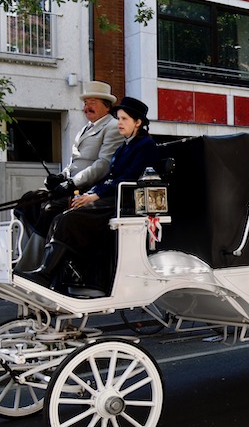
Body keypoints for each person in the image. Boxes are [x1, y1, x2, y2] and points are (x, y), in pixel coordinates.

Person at [24, 97, 159, 287]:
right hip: (112, 195)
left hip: (125, 201)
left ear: (138, 122)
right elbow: (109, 177)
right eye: (118, 118)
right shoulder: (124, 148)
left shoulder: (145, 146)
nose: (119, 123)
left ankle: (46, 274)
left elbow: (128, 178)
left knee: (67, 219)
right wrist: (87, 195)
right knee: (58, 216)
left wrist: (95, 195)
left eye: (124, 119)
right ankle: (54, 274)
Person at [17, 80, 122, 239]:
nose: (87, 107)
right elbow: (74, 164)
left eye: (92, 103)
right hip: (71, 186)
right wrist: (61, 176)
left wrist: (73, 182)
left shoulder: (112, 127)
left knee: (50, 209)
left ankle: (39, 258)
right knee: (28, 202)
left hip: (89, 188)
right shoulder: (84, 129)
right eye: (85, 103)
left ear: (107, 106)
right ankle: (29, 248)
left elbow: (103, 165)